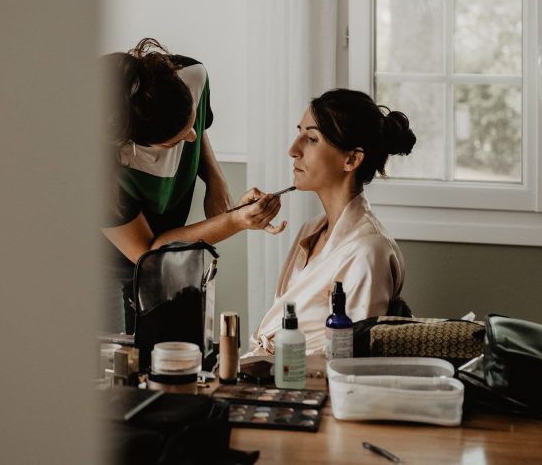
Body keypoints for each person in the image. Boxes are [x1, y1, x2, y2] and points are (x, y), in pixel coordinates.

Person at [101, 38, 287, 333]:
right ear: (132, 145)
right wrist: (235, 221)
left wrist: (215, 179)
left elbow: (197, 128)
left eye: (190, 123)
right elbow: (149, 253)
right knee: (112, 362)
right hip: (103, 267)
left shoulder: (192, 75)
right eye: (174, 141)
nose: (191, 138)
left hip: (165, 254)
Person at [248, 88, 416, 356]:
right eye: (299, 133)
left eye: (312, 139)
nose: (293, 150)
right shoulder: (309, 231)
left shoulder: (369, 251)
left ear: (351, 159)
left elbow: (352, 361)